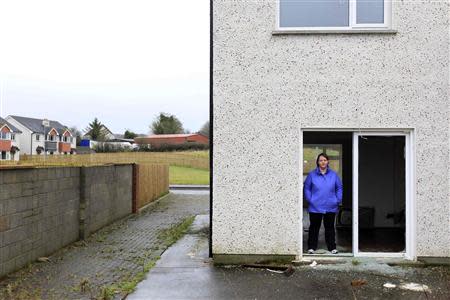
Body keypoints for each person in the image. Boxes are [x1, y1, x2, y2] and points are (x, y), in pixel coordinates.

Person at [303, 153, 343, 254]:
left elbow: (339, 187)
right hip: (315, 206)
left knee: (329, 228)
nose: (323, 162)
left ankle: (332, 247)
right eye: (321, 160)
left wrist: (337, 200)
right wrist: (310, 199)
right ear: (318, 162)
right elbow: (307, 188)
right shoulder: (312, 175)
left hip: (330, 205)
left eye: (325, 160)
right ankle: (311, 247)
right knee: (314, 228)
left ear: (328, 161)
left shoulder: (333, 175)